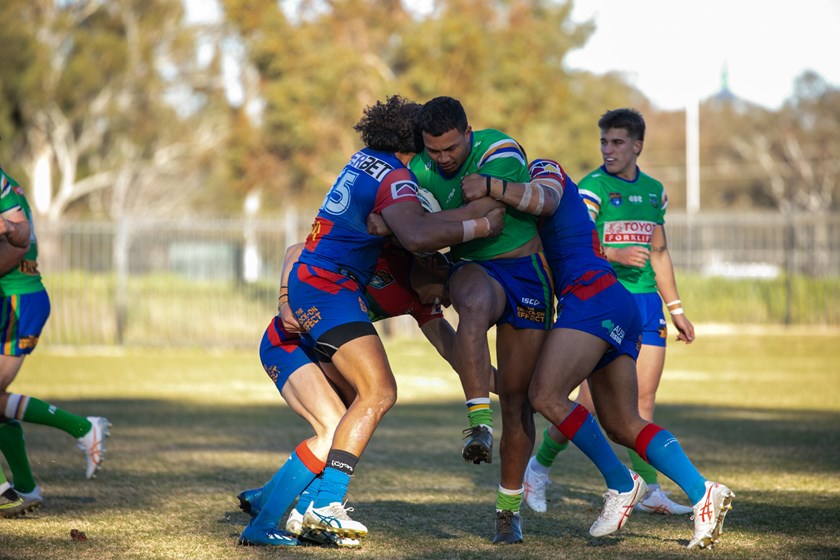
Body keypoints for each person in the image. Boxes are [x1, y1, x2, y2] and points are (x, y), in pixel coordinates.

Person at [238, 94, 504, 547]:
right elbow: (408, 232)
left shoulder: (365, 162)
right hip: (297, 326)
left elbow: (456, 351)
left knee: (341, 423)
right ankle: (316, 508)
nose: (443, 298)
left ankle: (278, 506)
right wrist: (480, 224)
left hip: (318, 304)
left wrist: (507, 384)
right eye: (444, 285)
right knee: (375, 395)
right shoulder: (396, 198)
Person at [462, 157, 734, 549]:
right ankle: (702, 491)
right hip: (608, 301)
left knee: (545, 395)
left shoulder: (542, 170)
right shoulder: (513, 209)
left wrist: (489, 184)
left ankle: (622, 483)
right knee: (622, 423)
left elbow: (548, 197)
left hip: (591, 297)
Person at [237, 241, 473, 548]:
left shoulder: (423, 305)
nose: (448, 304)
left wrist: (512, 386)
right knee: (333, 431)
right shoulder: (383, 253)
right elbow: (296, 250)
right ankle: (262, 525)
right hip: (287, 344)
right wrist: (285, 302)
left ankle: (270, 499)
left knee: (341, 430)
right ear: (435, 266)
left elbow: (460, 357)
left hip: (323, 354)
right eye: (449, 293)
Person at [523, 108, 697, 516]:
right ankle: (540, 467)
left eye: (617, 142)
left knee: (643, 401)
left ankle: (649, 488)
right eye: (604, 141)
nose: (609, 149)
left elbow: (659, 251)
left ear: (637, 145)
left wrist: (677, 309)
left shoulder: (655, 191)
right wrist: (616, 252)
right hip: (602, 298)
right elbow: (577, 242)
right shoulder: (592, 187)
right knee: (589, 402)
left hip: (645, 302)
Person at [410, 96, 553, 544]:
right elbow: (460, 221)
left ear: (468, 134)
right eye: (434, 150)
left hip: (527, 274)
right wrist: (448, 224)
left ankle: (508, 511)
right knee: (470, 304)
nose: (443, 158)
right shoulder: (417, 169)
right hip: (475, 266)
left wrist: (443, 222)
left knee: (517, 399)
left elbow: (484, 213)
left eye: (451, 147)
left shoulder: (499, 150)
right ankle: (478, 422)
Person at [0, 165, 110, 517]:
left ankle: (8, 490)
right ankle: (26, 487)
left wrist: (9, 228)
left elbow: (20, 241)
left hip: (17, 299)